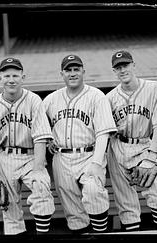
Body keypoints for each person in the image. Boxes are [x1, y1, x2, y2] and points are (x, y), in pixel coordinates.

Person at [0, 57, 55, 235]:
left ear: (23, 77)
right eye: (6, 75)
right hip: (4, 158)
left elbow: (41, 138)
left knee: (42, 187)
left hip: (31, 156)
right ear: (0, 78)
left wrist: (38, 168)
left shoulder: (34, 101)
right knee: (10, 210)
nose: (11, 79)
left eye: (15, 75)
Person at [43, 54, 117, 234]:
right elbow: (38, 126)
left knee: (93, 192)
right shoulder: (51, 100)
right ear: (62, 73)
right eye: (68, 70)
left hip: (89, 154)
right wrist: (47, 141)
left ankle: (100, 234)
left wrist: (97, 162)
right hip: (61, 157)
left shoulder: (96, 96)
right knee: (73, 212)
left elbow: (103, 132)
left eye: (76, 69)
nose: (73, 73)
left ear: (83, 71)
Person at [106, 50, 157, 231]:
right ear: (114, 71)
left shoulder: (154, 88)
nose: (122, 70)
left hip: (144, 145)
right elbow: (102, 130)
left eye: (125, 65)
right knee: (125, 202)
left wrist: (151, 157)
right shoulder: (110, 98)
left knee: (156, 191)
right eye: (118, 67)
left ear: (133, 65)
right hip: (117, 147)